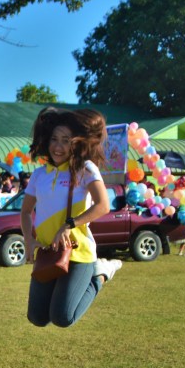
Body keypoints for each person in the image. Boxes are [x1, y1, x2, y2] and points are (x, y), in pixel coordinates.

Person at [21, 108, 121, 328]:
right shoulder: (39, 174)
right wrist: (28, 240)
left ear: (76, 143)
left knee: (63, 317)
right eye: (54, 139)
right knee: (37, 318)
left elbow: (103, 205)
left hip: (79, 252)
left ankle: (100, 274)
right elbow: (26, 212)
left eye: (66, 140)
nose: (58, 146)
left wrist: (69, 225)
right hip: (48, 253)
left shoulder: (85, 168)